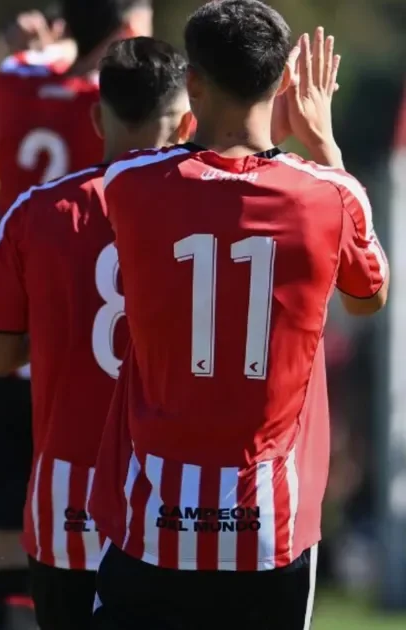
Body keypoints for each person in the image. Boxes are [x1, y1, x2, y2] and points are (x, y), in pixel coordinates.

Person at [89, 2, 388, 627]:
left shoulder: (129, 186)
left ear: (192, 83)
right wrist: (325, 144)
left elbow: (177, 173)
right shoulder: (331, 195)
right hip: (267, 529)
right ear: (284, 82)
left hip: (156, 519)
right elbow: (368, 297)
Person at [0, 3, 153, 628]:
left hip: (11, 356)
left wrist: (16, 78)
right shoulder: (123, 105)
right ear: (120, 30)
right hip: (93, 372)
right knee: (110, 576)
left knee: (14, 580)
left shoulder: (18, 85)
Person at [0, 37, 194, 629]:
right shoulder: (203, 215)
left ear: (97, 116)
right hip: (167, 486)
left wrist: (57, 336)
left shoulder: (33, 212)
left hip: (67, 487)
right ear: (185, 124)